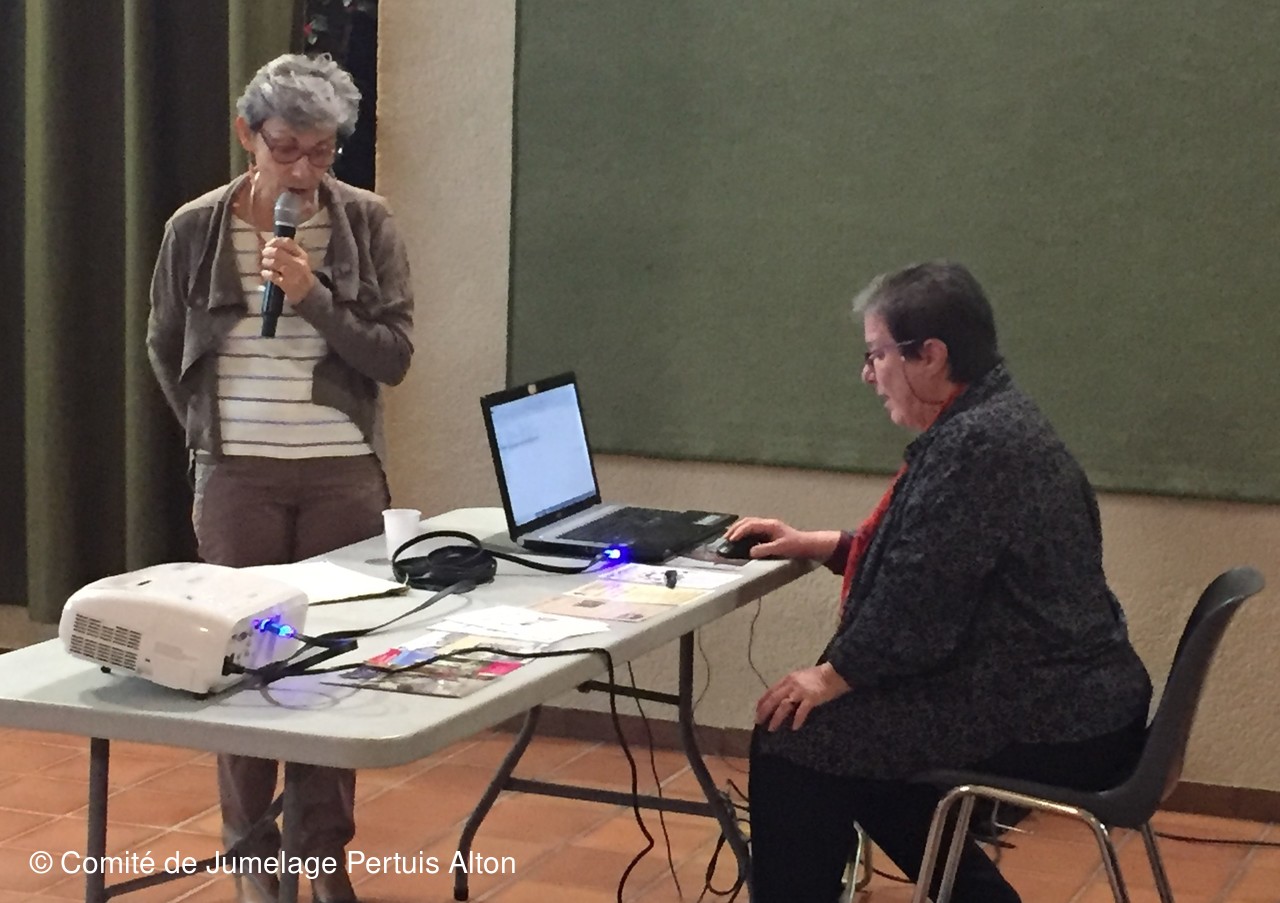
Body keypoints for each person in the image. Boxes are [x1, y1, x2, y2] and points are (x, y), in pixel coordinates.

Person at [724, 261, 1152, 903]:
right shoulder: (993, 419)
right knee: (855, 748)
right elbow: (940, 563)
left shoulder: (977, 446)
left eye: (877, 355)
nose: (868, 374)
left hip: (1058, 715)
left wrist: (832, 675)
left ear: (930, 355)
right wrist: (825, 546)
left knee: (795, 736)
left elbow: (918, 612)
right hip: (1075, 696)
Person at [147, 53, 413, 903]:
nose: (303, 170)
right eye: (286, 148)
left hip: (341, 478)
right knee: (241, 669)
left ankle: (322, 857)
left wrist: (313, 297)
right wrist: (210, 444)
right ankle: (253, 863)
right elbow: (165, 344)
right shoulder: (196, 227)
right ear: (247, 135)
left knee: (327, 669)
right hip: (238, 481)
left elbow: (393, 356)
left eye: (322, 151)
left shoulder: (367, 223)